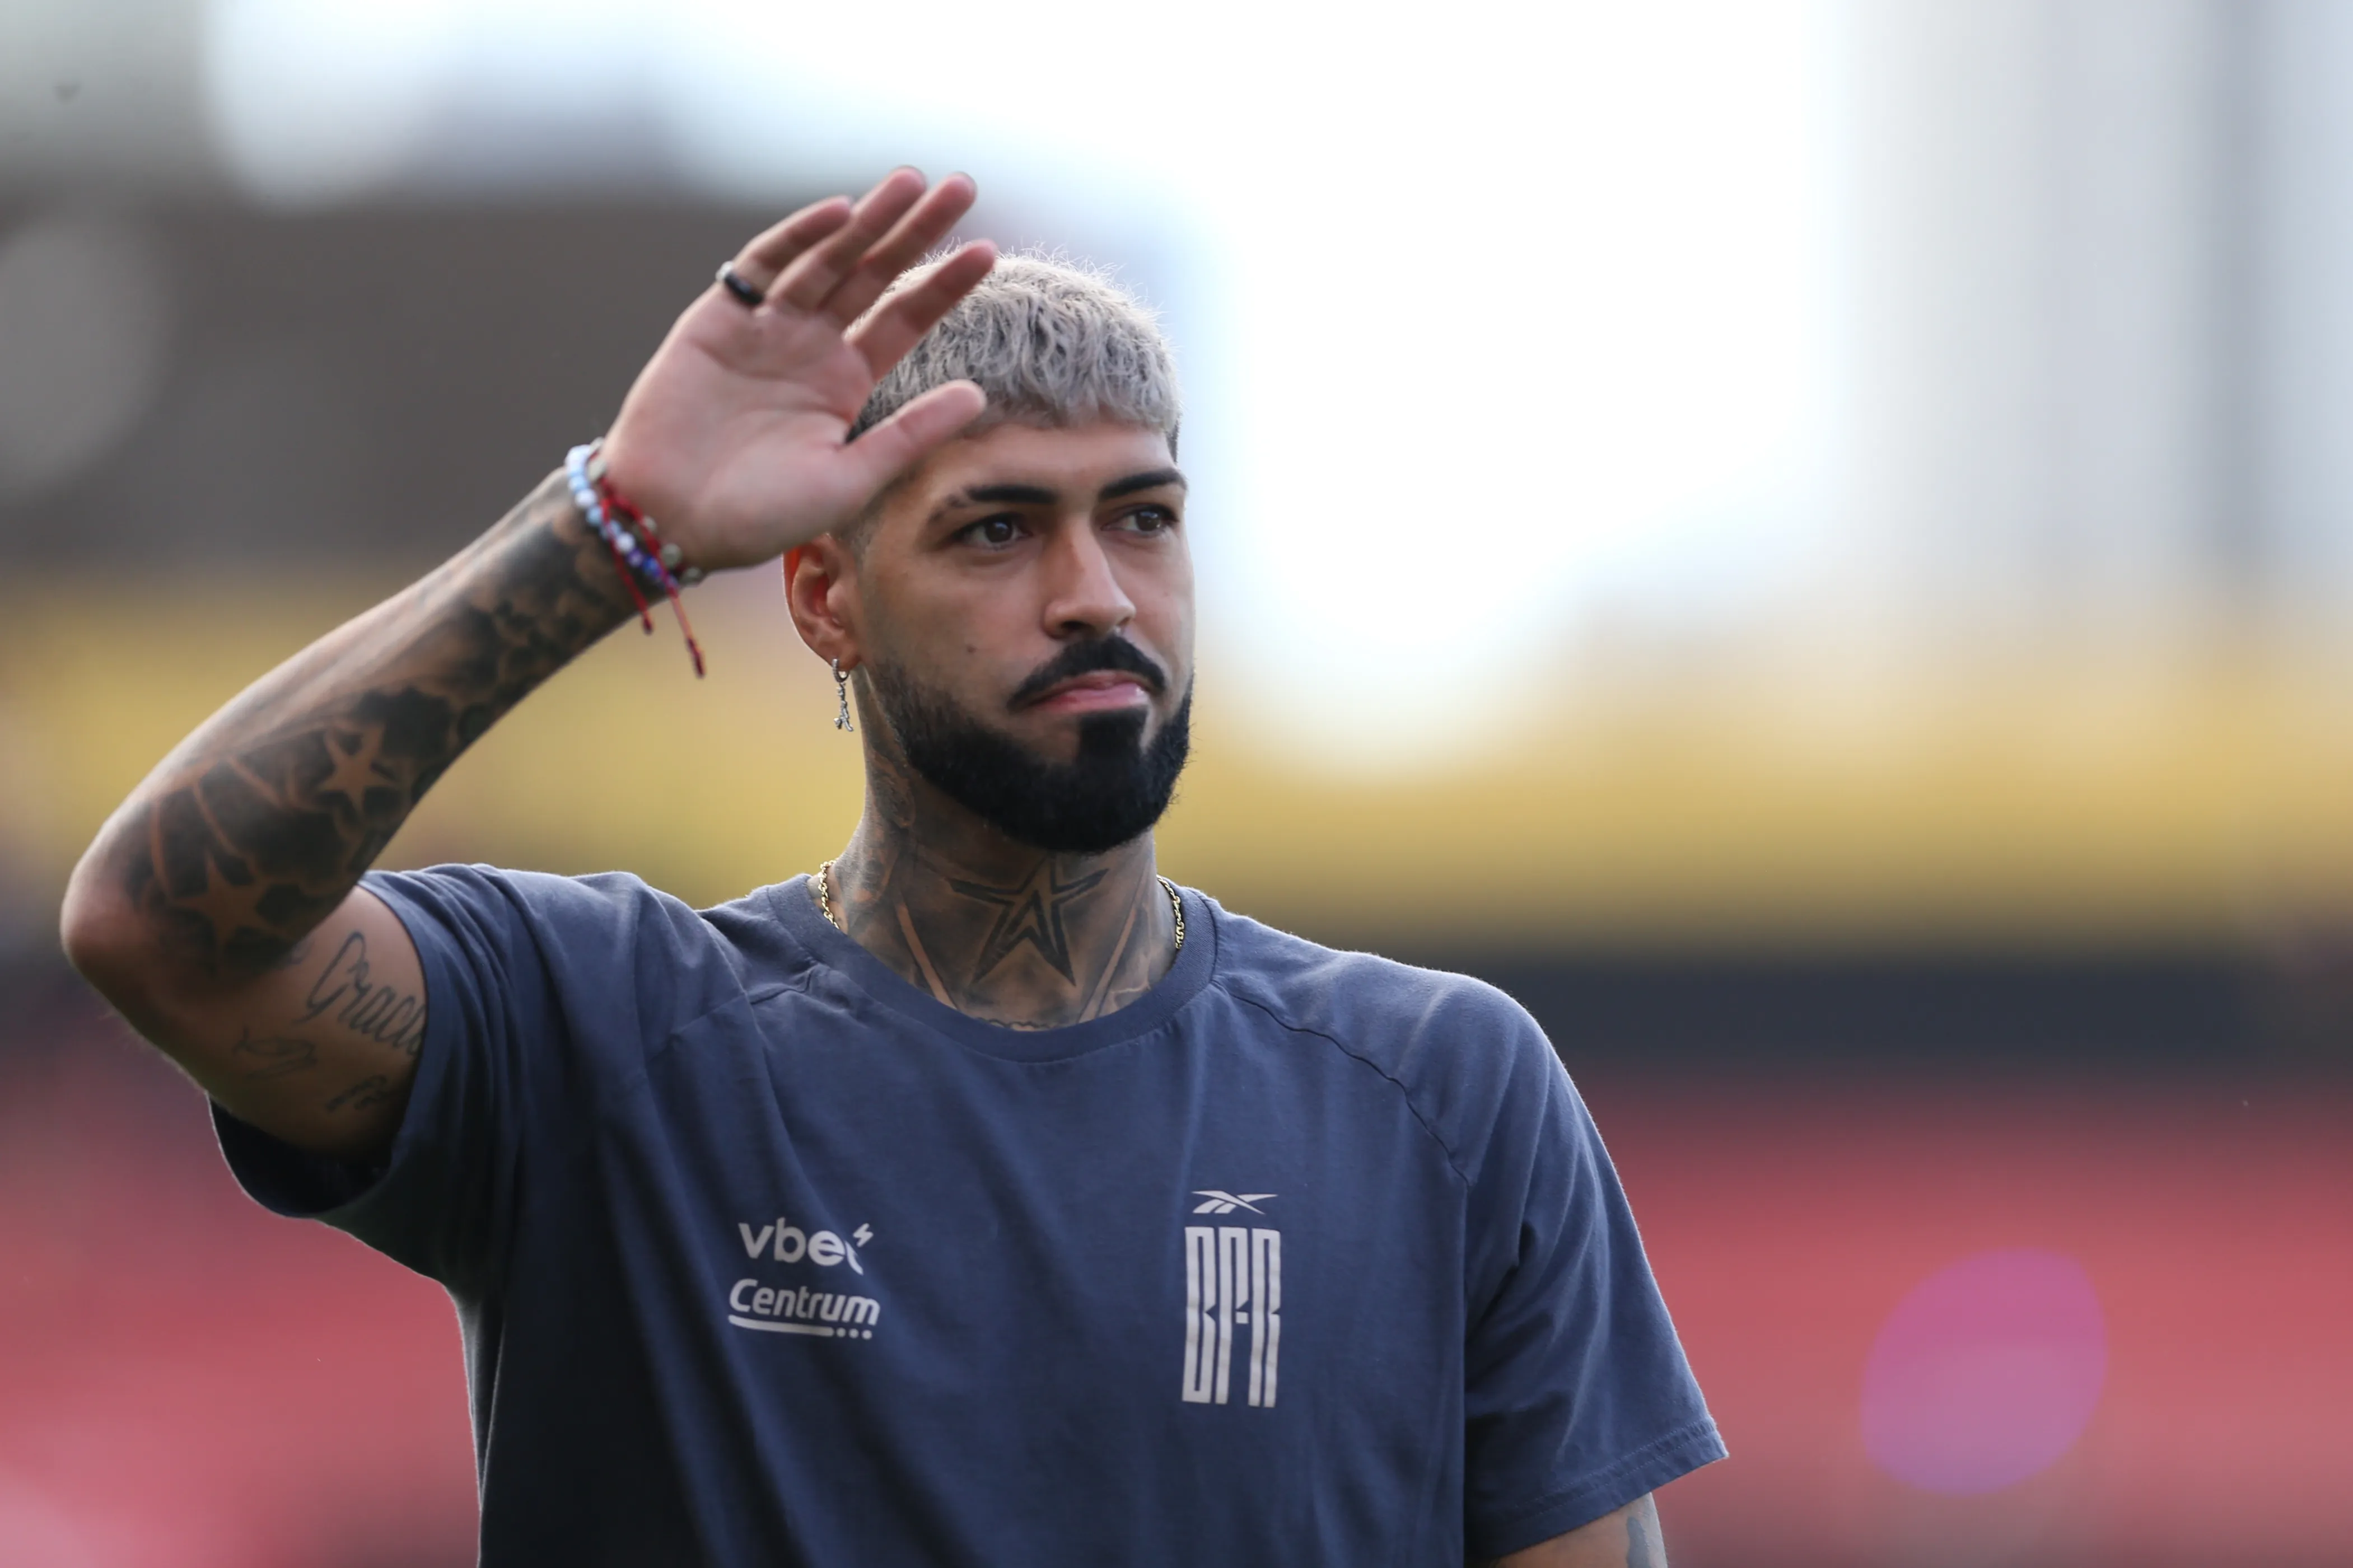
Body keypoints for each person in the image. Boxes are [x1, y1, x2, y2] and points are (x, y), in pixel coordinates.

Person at [59, 168, 1724, 1566]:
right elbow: (165, 927)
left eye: (1142, 518)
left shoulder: (1445, 1093)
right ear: (823, 600)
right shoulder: (598, 1040)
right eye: (997, 530)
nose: (1097, 594)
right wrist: (613, 524)